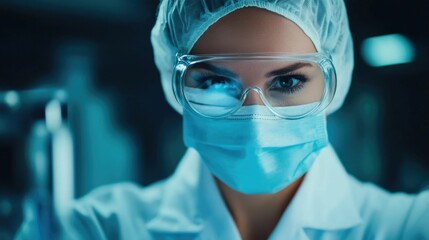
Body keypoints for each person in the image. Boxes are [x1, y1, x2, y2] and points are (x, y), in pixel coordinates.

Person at [17, 0, 429, 239]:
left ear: (332, 83)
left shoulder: (406, 227)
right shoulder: (94, 230)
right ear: (174, 85)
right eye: (215, 82)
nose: (254, 119)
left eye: (287, 81)